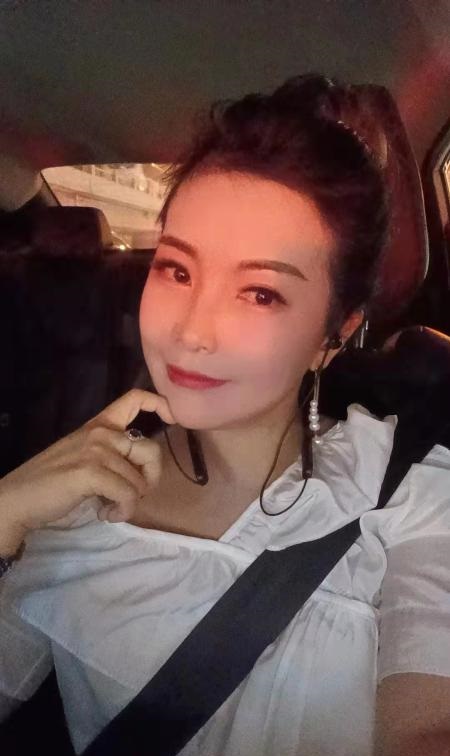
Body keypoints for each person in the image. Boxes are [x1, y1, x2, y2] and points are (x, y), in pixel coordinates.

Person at [1, 74, 449, 756]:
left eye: (261, 293)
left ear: (334, 332)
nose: (192, 331)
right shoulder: (69, 506)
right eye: (177, 271)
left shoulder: (409, 493)